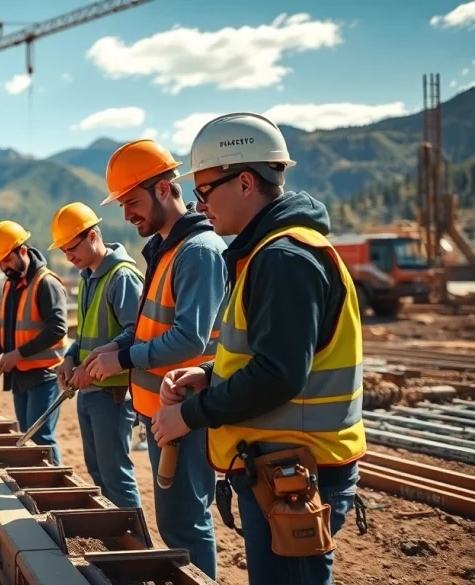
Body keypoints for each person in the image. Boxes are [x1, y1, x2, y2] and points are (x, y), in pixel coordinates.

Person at [150, 112, 366, 585]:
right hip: (281, 467)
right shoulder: (265, 253)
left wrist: (189, 414)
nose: (199, 203)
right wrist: (209, 373)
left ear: (245, 182)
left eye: (204, 191)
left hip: (296, 473)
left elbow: (278, 374)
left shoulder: (284, 258)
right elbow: (268, 356)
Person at [84, 138, 227, 580]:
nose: (126, 215)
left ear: (164, 189)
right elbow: (153, 324)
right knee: (175, 521)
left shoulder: (198, 252)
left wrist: (124, 358)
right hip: (162, 412)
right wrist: (117, 345)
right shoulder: (166, 249)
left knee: (186, 522)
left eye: (132, 202)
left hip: (184, 412)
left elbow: (189, 339)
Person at [49, 203, 143, 509]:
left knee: (115, 476)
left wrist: (92, 369)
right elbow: (86, 334)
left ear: (93, 235)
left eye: (72, 247)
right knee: (98, 473)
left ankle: (136, 548)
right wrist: (69, 356)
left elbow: (137, 334)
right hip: (89, 391)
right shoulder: (89, 276)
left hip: (112, 394)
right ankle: (118, 539)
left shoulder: (122, 277)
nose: (68, 257)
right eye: (63, 250)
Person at [0, 220, 68, 466]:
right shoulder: (11, 284)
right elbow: (6, 327)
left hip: (44, 376)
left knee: (41, 438)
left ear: (22, 251)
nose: (3, 267)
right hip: (20, 376)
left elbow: (58, 329)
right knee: (27, 436)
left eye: (7, 260)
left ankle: (57, 491)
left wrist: (18, 354)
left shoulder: (46, 283)